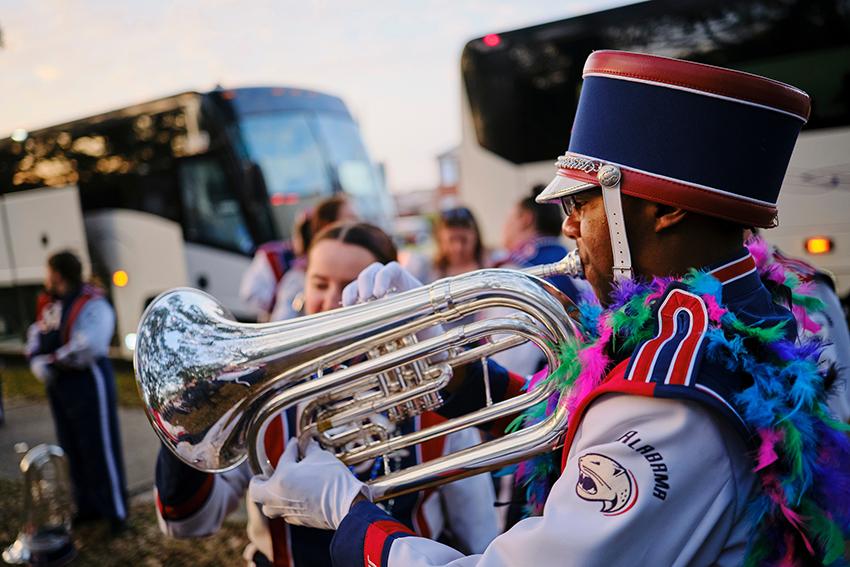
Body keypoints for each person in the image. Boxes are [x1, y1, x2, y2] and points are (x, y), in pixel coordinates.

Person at [249, 51, 850, 566]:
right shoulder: (742, 310)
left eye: (584, 201)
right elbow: (573, 418)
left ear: (665, 212)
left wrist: (346, 515)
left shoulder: (674, 394)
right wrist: (448, 363)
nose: (565, 225)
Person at [155, 222, 499, 566]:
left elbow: (478, 533)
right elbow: (187, 522)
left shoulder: (434, 395)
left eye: (351, 287)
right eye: (320, 284)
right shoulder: (264, 400)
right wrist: (189, 418)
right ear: (303, 289)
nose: (332, 302)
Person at [25, 250, 127, 531]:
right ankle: (87, 505)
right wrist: (35, 358)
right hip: (61, 386)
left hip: (88, 382)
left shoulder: (92, 303)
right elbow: (36, 333)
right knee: (71, 448)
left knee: (100, 448)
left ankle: (115, 512)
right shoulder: (50, 304)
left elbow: (90, 345)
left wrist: (50, 362)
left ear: (57, 274)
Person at [240, 195, 358, 322]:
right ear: (329, 227)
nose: (331, 304)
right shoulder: (298, 276)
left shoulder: (357, 262)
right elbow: (282, 327)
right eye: (320, 285)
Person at [429, 206, 487, 280]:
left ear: (476, 237)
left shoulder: (494, 266)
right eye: (451, 240)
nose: (458, 248)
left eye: (464, 240)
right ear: (440, 240)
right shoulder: (429, 273)